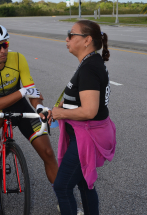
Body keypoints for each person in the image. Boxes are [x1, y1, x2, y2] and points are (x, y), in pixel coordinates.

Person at [0, 24, 58, 197]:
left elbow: (32, 90)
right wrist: (22, 91)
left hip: (20, 106)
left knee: (48, 152)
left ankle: (63, 195)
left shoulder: (18, 59)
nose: (3, 50)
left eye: (5, 44)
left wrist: (39, 107)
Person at [52, 20, 117, 215]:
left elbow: (89, 110)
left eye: (71, 34)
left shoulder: (89, 67)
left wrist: (60, 113)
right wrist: (64, 105)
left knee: (62, 187)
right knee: (84, 184)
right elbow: (82, 96)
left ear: (87, 40)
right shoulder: (90, 62)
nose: (67, 38)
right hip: (86, 133)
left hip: (88, 135)